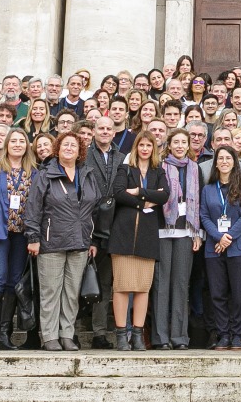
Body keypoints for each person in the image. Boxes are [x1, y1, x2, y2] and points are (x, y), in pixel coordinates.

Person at [26, 130, 99, 351]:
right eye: (65, 145)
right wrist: (33, 237)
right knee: (50, 291)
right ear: (58, 149)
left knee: (71, 292)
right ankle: (49, 336)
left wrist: (93, 240)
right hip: (51, 242)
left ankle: (67, 334)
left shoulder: (87, 175)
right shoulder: (45, 175)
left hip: (80, 241)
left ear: (79, 152)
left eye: (73, 146)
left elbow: (94, 210)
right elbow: (33, 208)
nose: (69, 148)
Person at [108, 132, 167, 351]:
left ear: (154, 149)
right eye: (141, 145)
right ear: (136, 147)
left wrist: (139, 191)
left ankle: (138, 334)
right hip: (123, 235)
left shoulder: (158, 171)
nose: (144, 149)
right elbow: (119, 193)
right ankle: (122, 334)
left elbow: (164, 196)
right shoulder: (125, 169)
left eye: (148, 145)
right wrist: (144, 202)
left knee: (143, 288)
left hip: (147, 236)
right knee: (122, 287)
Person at [0, 127, 35, 351]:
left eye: (22, 141)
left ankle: (4, 333)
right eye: (14, 141)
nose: (18, 145)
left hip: (22, 235)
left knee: (13, 282)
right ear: (6, 144)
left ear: (27, 146)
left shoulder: (34, 172)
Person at [201, 144, 241, 351]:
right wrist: (218, 237)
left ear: (235, 162)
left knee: (239, 293)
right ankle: (223, 334)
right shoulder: (208, 189)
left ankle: (237, 334)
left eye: (228, 158)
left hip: (238, 247)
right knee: (218, 293)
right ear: (215, 163)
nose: (224, 161)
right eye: (220, 158)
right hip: (214, 248)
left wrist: (229, 236)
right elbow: (204, 216)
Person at [154, 127, 203, 349]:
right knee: (161, 285)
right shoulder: (159, 168)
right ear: (169, 145)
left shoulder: (195, 169)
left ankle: (179, 337)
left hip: (186, 232)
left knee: (181, 285)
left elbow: (200, 202)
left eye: (185, 142)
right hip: (163, 231)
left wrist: (197, 233)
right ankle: (161, 338)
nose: (181, 146)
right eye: (177, 142)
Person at [82, 116, 124, 348]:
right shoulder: (84, 156)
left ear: (114, 132)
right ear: (94, 131)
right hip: (88, 224)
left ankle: (99, 332)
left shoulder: (122, 158)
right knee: (79, 279)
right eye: (101, 128)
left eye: (109, 128)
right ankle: (71, 329)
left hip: (115, 227)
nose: (105, 131)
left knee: (104, 282)